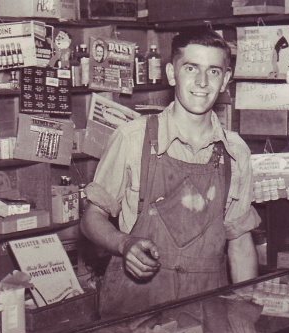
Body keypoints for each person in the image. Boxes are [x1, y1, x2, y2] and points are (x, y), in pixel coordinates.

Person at [81, 28, 261, 317]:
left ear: (226, 80)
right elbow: (91, 218)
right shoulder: (132, 138)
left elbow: (239, 244)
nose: (202, 82)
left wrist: (246, 315)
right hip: (136, 307)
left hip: (208, 308)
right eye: (191, 68)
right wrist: (124, 243)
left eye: (214, 71)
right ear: (171, 73)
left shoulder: (235, 151)